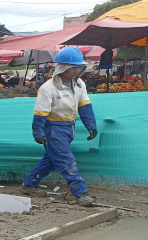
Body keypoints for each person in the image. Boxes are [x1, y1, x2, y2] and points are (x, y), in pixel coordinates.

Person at [20, 48, 97, 206]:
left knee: (51, 160)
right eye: (71, 68)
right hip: (53, 129)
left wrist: (91, 125)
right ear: (62, 67)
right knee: (66, 160)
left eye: (78, 67)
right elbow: (40, 113)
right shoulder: (48, 88)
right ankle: (80, 193)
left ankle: (28, 183)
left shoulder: (79, 84)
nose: (76, 71)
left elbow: (85, 106)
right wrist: (38, 132)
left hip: (70, 127)